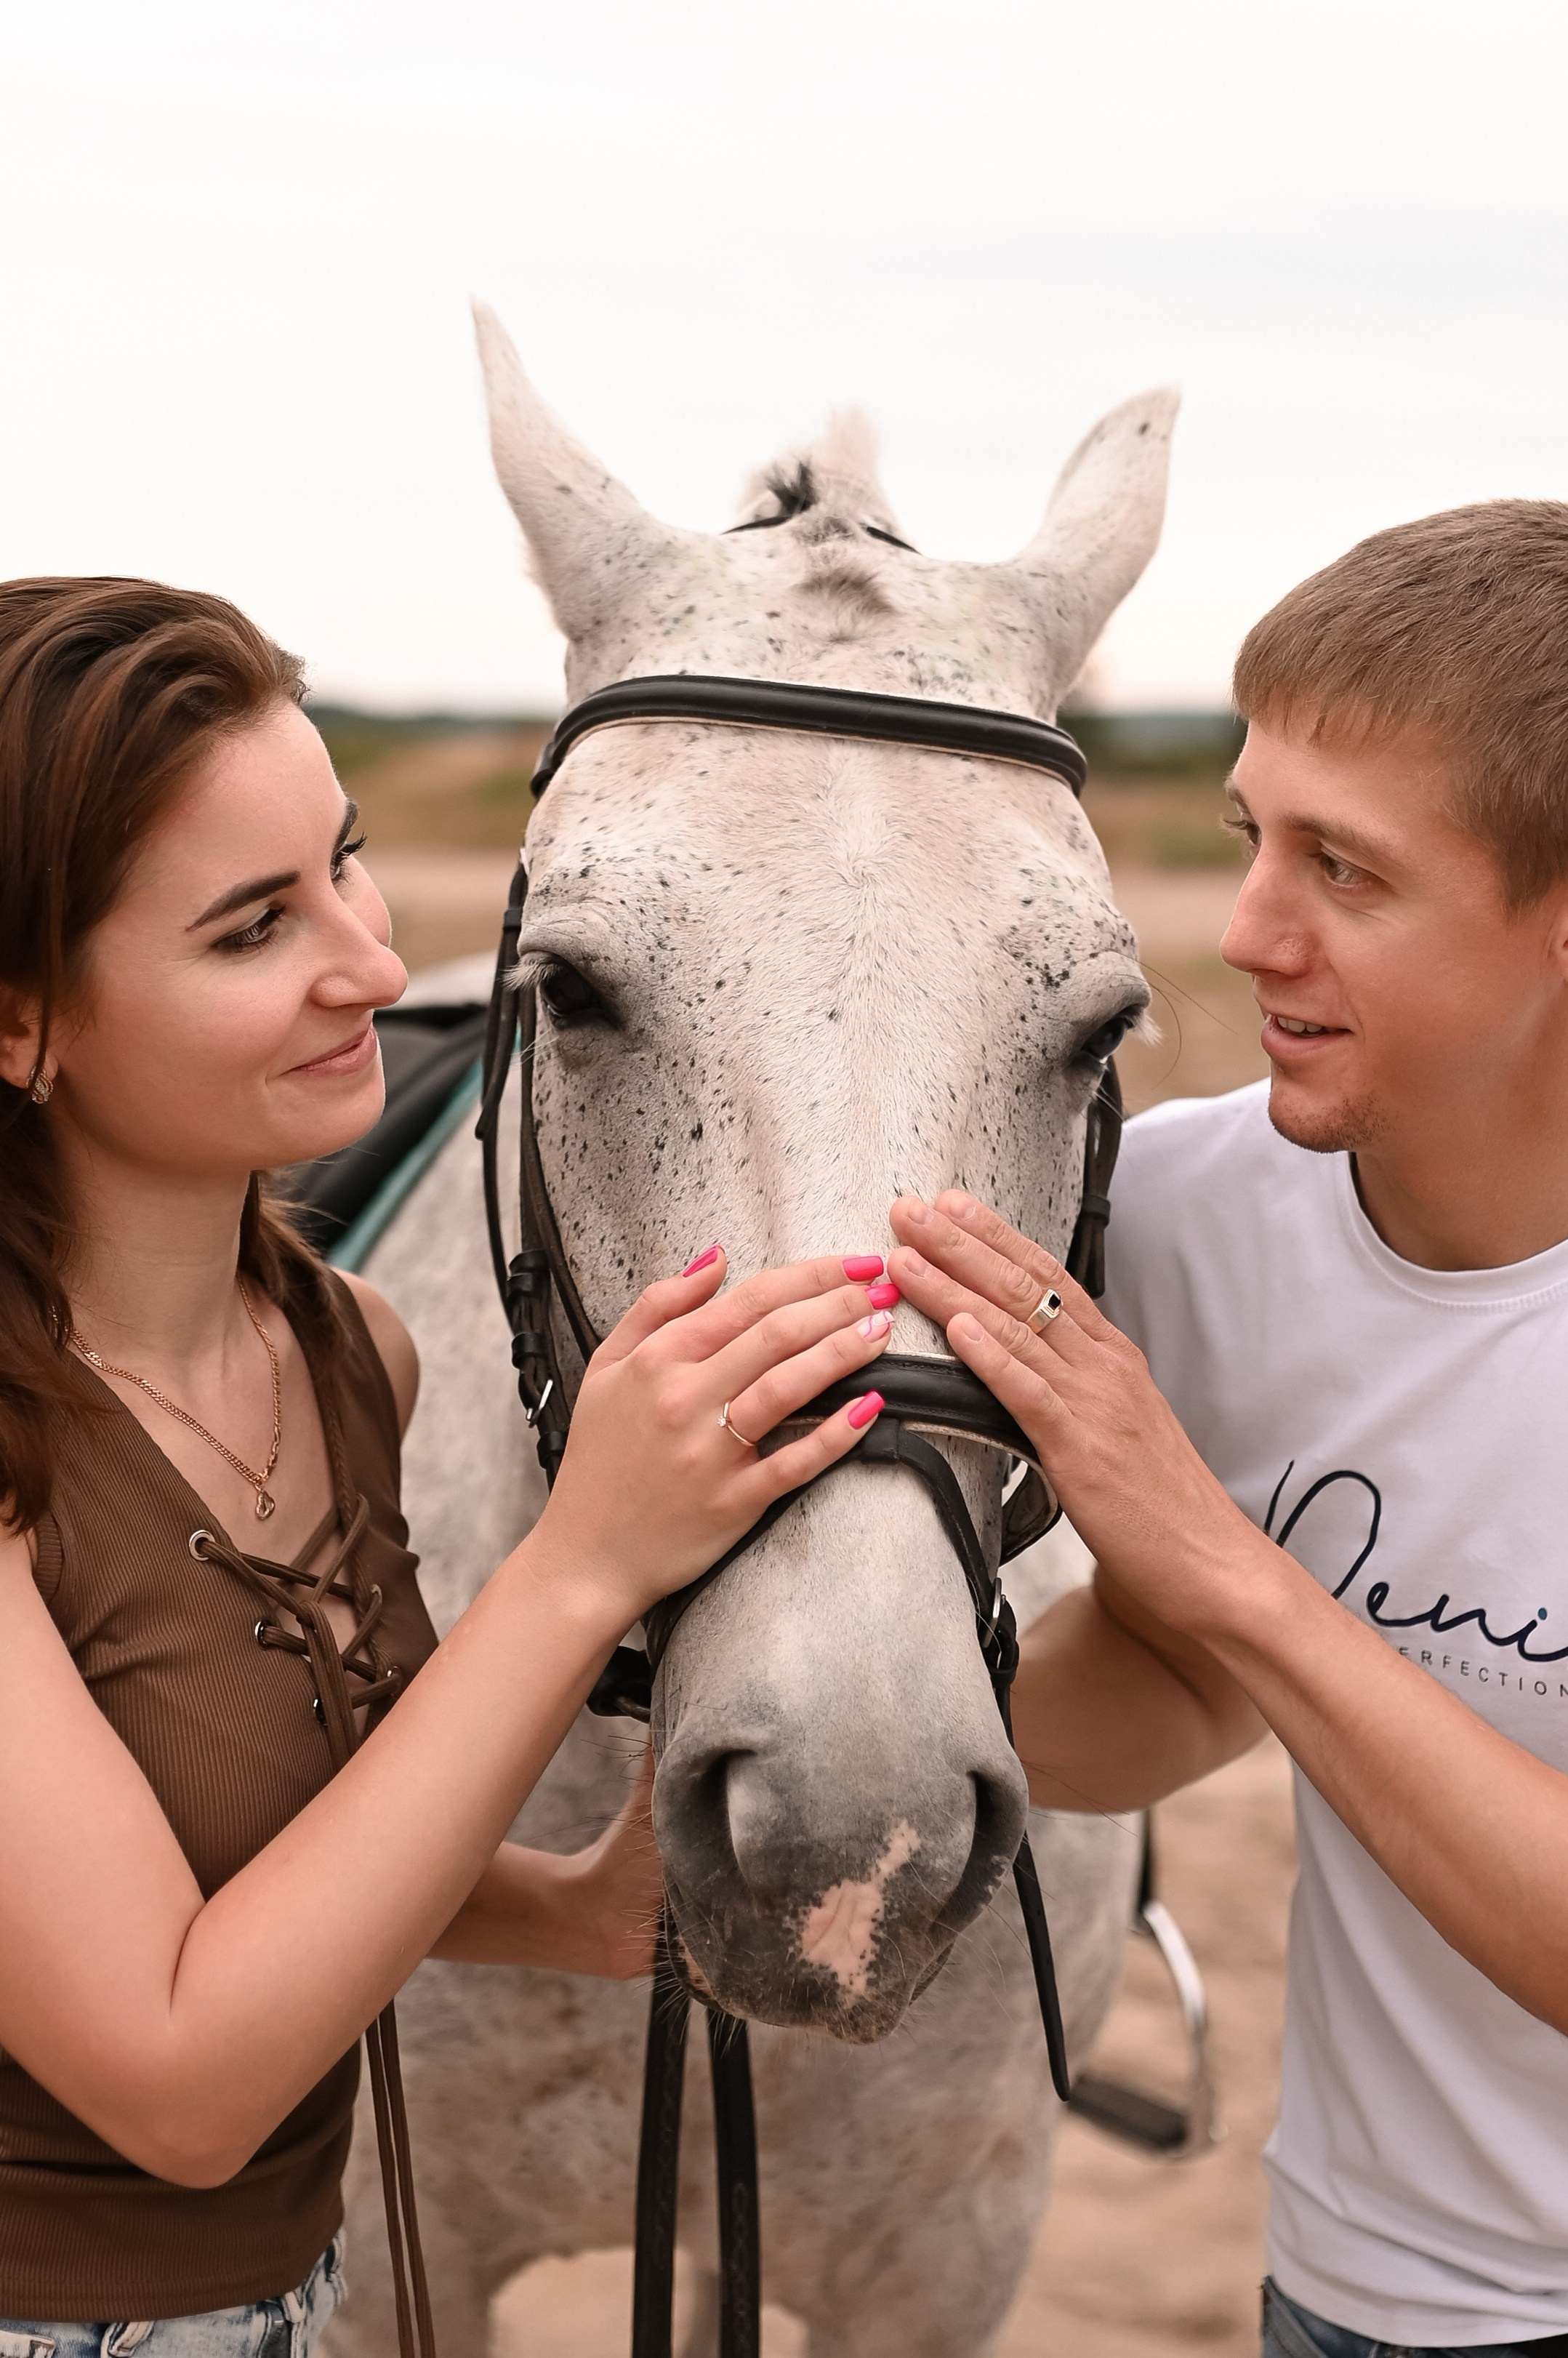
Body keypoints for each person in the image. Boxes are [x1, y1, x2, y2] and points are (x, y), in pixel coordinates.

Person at [0, 577, 898, 2357]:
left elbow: (239, 1851)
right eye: (253, 928)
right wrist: (579, 1565)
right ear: (18, 1021)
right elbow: (178, 2078)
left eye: (343, 860)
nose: (372, 964)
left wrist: (571, 1907)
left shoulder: (348, 1350)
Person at [886, 501, 1568, 2358]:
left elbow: (1229, 1607)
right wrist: (865, 1702)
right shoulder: (1186, 1214)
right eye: (1247, 835)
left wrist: (1224, 1566)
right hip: (1348, 2291)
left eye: (1343, 870)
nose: (1246, 929)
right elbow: (1179, 1685)